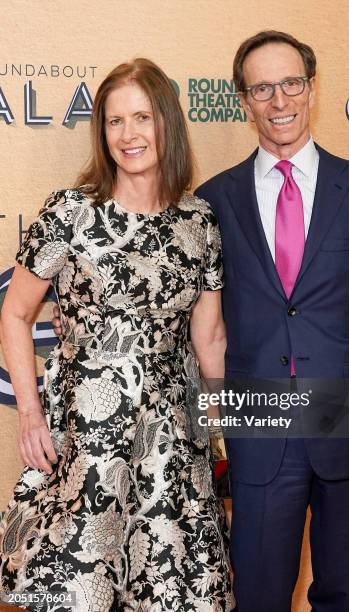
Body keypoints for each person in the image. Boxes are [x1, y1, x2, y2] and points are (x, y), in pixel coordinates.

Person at [194, 31, 349, 611]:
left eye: (291, 83)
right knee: (260, 595)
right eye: (262, 87)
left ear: (312, 89)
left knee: (345, 594)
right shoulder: (213, 202)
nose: (279, 100)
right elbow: (205, 330)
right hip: (260, 429)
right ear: (243, 100)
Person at [0, 58, 235, 611]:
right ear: (101, 133)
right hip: (88, 432)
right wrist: (32, 415)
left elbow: (211, 336)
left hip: (173, 438)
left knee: (171, 588)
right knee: (83, 585)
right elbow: (13, 315)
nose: (128, 135)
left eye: (142, 118)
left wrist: (217, 427)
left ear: (168, 126)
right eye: (114, 122)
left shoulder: (198, 222)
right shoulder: (70, 213)